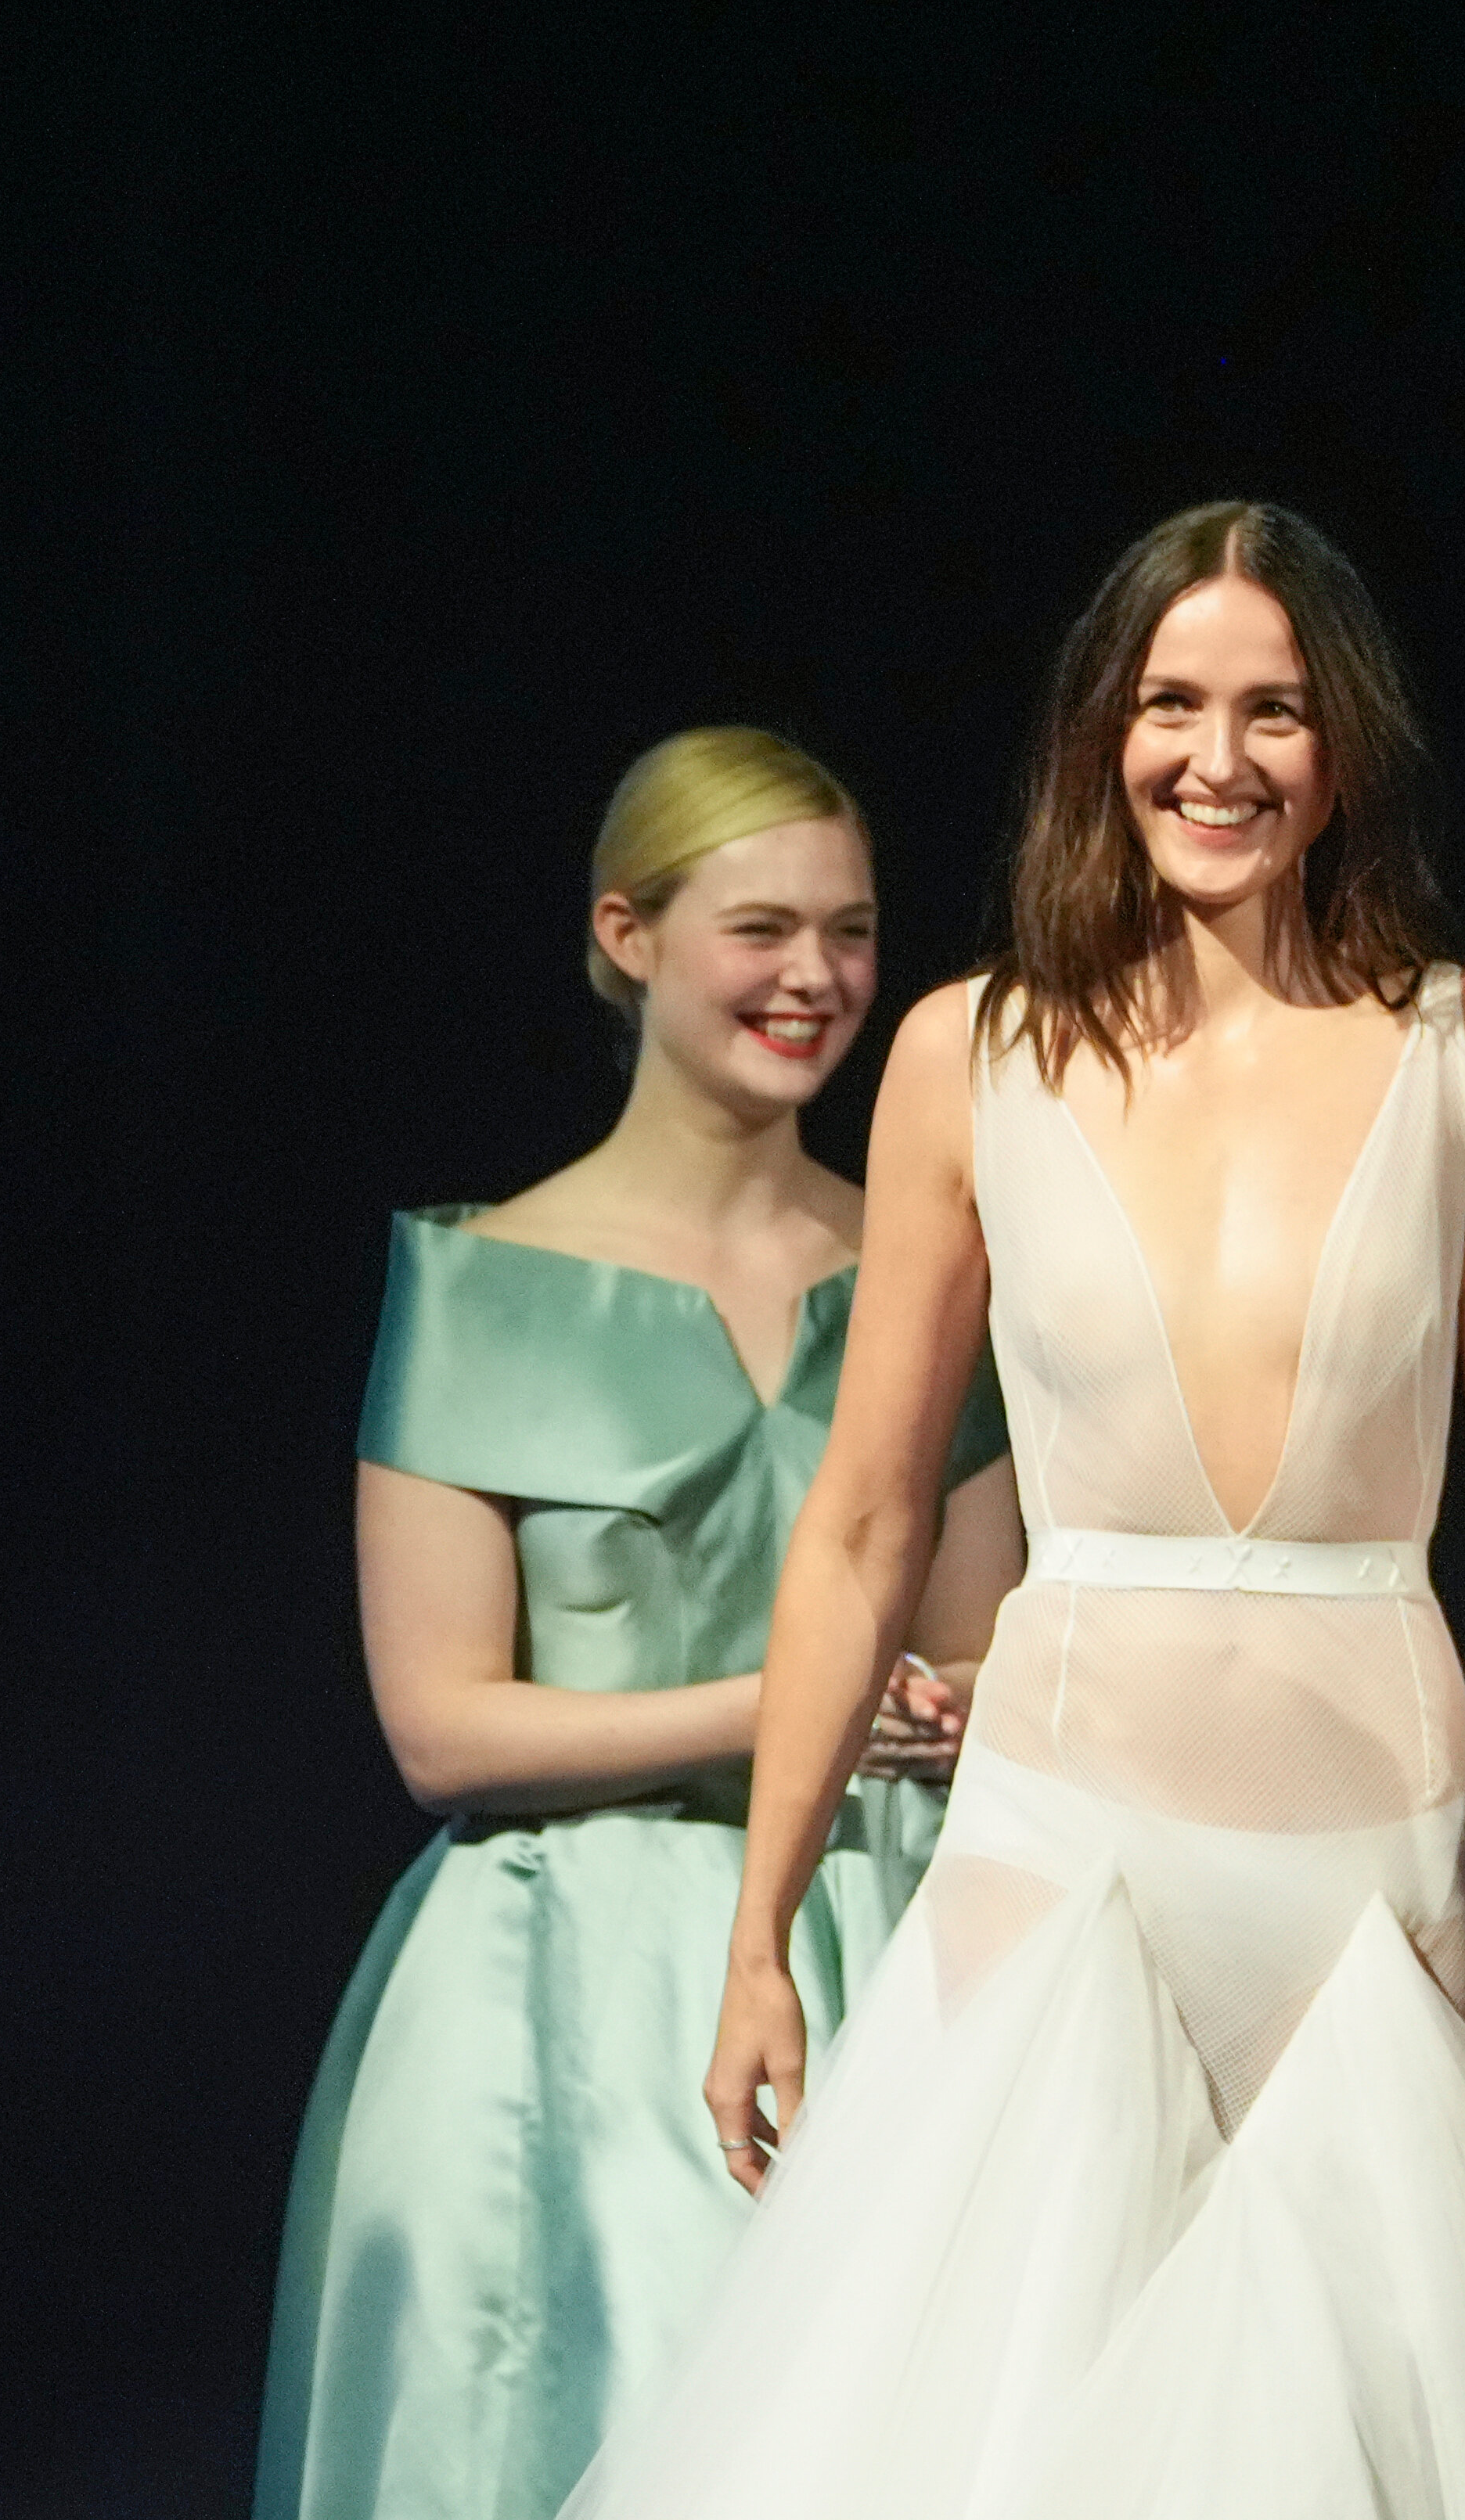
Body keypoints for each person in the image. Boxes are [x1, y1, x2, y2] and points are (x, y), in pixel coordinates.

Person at [558, 502, 1465, 2518]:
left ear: (1343, 757)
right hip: (1065, 1865)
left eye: (1271, 711)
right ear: (1099, 734)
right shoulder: (972, 1054)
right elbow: (868, 1518)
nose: (1214, 758)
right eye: (1167, 704)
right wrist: (762, 1924)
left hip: (1375, 1890)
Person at [254, 728, 1022, 2520]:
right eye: (761, 928)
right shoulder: (485, 1283)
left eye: (850, 930)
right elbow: (443, 1729)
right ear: (627, 935)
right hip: (561, 1988)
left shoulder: (929, 1274)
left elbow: (983, 1648)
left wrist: (970, 1703)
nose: (817, 977)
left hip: (887, 1941)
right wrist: (788, 1701)